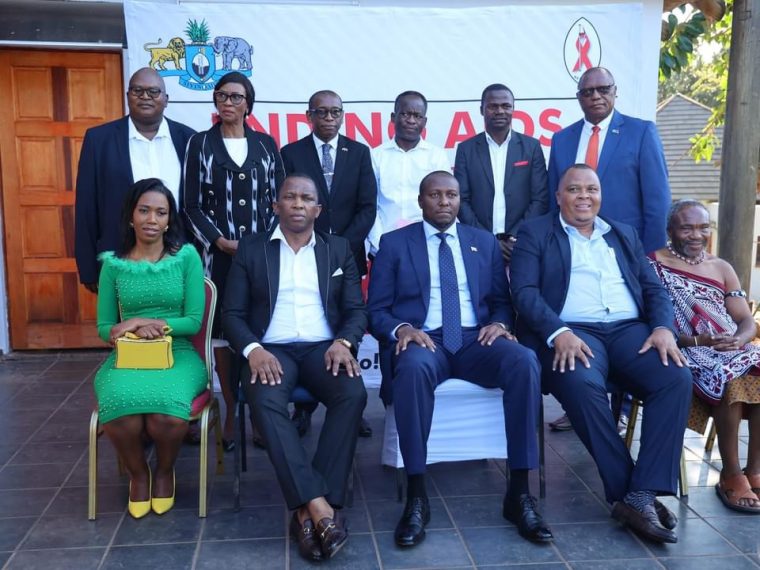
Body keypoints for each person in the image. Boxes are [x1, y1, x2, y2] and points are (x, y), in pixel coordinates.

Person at [510, 164, 692, 544]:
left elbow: (653, 290)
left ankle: (640, 492)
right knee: (581, 383)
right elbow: (524, 292)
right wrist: (558, 332)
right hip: (572, 331)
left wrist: (663, 328)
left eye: (591, 189)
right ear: (558, 196)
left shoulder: (622, 233)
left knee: (675, 377)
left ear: (600, 195)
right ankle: (634, 495)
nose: (584, 196)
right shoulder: (535, 232)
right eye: (573, 189)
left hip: (629, 331)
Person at [368, 170, 551, 546]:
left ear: (459, 200)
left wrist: (500, 323)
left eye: (451, 195)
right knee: (412, 368)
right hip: (424, 339)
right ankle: (417, 496)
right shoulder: (394, 243)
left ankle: (519, 493)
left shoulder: (482, 242)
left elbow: (501, 301)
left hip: (475, 339)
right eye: (434, 195)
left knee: (524, 361)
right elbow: (377, 310)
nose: (444, 202)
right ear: (421, 201)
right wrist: (402, 330)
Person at [222, 174, 367, 562]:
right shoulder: (252, 249)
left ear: (318, 209)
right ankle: (323, 510)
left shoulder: (338, 248)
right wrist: (253, 350)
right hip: (271, 350)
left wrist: (344, 342)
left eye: (306, 198)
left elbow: (356, 310)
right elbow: (232, 314)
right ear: (276, 206)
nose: (298, 204)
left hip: (324, 349)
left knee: (352, 393)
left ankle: (308, 510)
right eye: (290, 197)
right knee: (265, 400)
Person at [546, 67, 671, 431]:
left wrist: (649, 254)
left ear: (615, 92)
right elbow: (555, 197)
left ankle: (623, 406)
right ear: (578, 98)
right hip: (574, 251)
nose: (596, 96)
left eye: (603, 89)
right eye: (588, 91)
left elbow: (657, 199)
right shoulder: (563, 139)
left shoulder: (641, 131)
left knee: (627, 328)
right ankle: (583, 405)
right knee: (583, 327)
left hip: (626, 254)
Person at [94, 178, 206, 519]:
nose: (152, 219)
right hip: (128, 355)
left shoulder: (186, 258)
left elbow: (193, 321)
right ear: (131, 215)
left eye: (161, 212)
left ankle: (164, 472)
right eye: (144, 211)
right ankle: (139, 475)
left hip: (178, 353)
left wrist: (146, 322)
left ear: (169, 219)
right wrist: (129, 328)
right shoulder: (113, 265)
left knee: (167, 416)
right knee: (119, 409)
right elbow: (105, 328)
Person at [184, 71, 285, 450]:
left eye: (236, 97)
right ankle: (230, 412)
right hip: (219, 258)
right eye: (222, 95)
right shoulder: (200, 144)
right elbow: (191, 205)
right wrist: (220, 241)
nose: (228, 102)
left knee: (259, 327)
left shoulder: (266, 145)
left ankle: (260, 412)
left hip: (262, 257)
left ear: (248, 104)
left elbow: (279, 200)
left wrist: (261, 243)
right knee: (224, 335)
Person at [649, 200, 760, 513]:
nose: (696, 235)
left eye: (703, 228)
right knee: (729, 376)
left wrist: (739, 339)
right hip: (685, 348)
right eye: (687, 228)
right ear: (670, 230)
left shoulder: (721, 267)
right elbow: (651, 324)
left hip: (731, 345)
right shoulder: (652, 265)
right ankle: (731, 473)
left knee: (755, 367)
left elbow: (746, 320)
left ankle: (754, 470)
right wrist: (700, 340)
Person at [281, 89, 377, 438]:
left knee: (348, 321)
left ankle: (351, 407)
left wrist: (341, 247)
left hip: (348, 254)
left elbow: (367, 206)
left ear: (342, 115)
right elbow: (291, 206)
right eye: (321, 112)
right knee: (312, 322)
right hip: (304, 253)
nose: (329, 118)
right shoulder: (291, 153)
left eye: (335, 112)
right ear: (309, 116)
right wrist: (318, 246)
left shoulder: (359, 152)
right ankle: (303, 410)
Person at [75, 67, 195, 292]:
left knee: (175, 316)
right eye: (138, 91)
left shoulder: (189, 139)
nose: (145, 97)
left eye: (153, 91)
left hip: (178, 259)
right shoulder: (99, 140)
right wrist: (88, 268)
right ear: (128, 96)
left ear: (166, 99)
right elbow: (86, 207)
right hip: (120, 260)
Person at [455, 83, 548, 263]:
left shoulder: (531, 147)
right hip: (478, 245)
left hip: (522, 244)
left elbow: (540, 198)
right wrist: (487, 240)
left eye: (506, 106)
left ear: (513, 109)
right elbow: (461, 200)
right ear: (482, 110)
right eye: (493, 106)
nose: (499, 111)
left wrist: (516, 237)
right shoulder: (466, 149)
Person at [366, 91, 450, 256]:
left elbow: (442, 202)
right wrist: (380, 243)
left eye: (417, 116)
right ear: (393, 117)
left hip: (427, 245)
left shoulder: (437, 156)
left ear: (424, 121)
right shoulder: (376, 156)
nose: (411, 120)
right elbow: (369, 206)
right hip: (384, 244)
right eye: (405, 114)